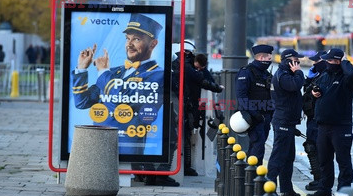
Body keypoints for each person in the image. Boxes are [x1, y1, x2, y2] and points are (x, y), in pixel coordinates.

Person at [71, 13, 164, 156]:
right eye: (128, 39)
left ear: (153, 43)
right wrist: (82, 68)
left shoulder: (158, 75)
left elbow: (122, 99)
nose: (129, 44)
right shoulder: (115, 72)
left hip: (127, 144)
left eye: (137, 39)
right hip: (100, 141)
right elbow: (82, 102)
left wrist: (103, 71)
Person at [306, 48, 353, 196]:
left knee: (343, 162)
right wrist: (314, 93)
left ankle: (343, 193)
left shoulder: (346, 78)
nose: (327, 63)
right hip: (323, 125)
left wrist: (345, 61)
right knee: (324, 160)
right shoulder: (325, 75)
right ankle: (324, 189)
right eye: (327, 60)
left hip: (341, 126)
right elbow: (314, 88)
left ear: (338, 61)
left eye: (330, 60)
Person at [172, 41, 223, 176]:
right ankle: (186, 166)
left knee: (181, 136)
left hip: (179, 105)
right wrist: (218, 88)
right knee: (186, 136)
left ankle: (182, 166)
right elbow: (204, 80)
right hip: (187, 105)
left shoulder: (177, 64)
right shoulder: (187, 67)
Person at [267, 49, 305, 196]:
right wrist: (299, 73)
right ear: (289, 61)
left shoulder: (286, 74)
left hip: (288, 120)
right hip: (283, 120)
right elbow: (295, 86)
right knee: (279, 155)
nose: (299, 63)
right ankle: (269, 187)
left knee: (289, 156)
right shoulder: (283, 75)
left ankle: (287, 189)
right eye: (296, 60)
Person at [235, 44, 274, 165]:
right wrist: (255, 114)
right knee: (257, 147)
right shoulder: (246, 72)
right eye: (269, 58)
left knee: (258, 146)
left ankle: (253, 176)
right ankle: (254, 178)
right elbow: (241, 96)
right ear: (261, 58)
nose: (270, 60)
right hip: (254, 117)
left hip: (265, 117)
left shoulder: (266, 74)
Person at [301, 50, 327, 190]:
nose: (314, 63)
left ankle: (321, 180)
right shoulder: (313, 74)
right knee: (311, 146)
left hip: (320, 117)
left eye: (317, 61)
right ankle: (318, 179)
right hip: (311, 116)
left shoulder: (327, 76)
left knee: (318, 147)